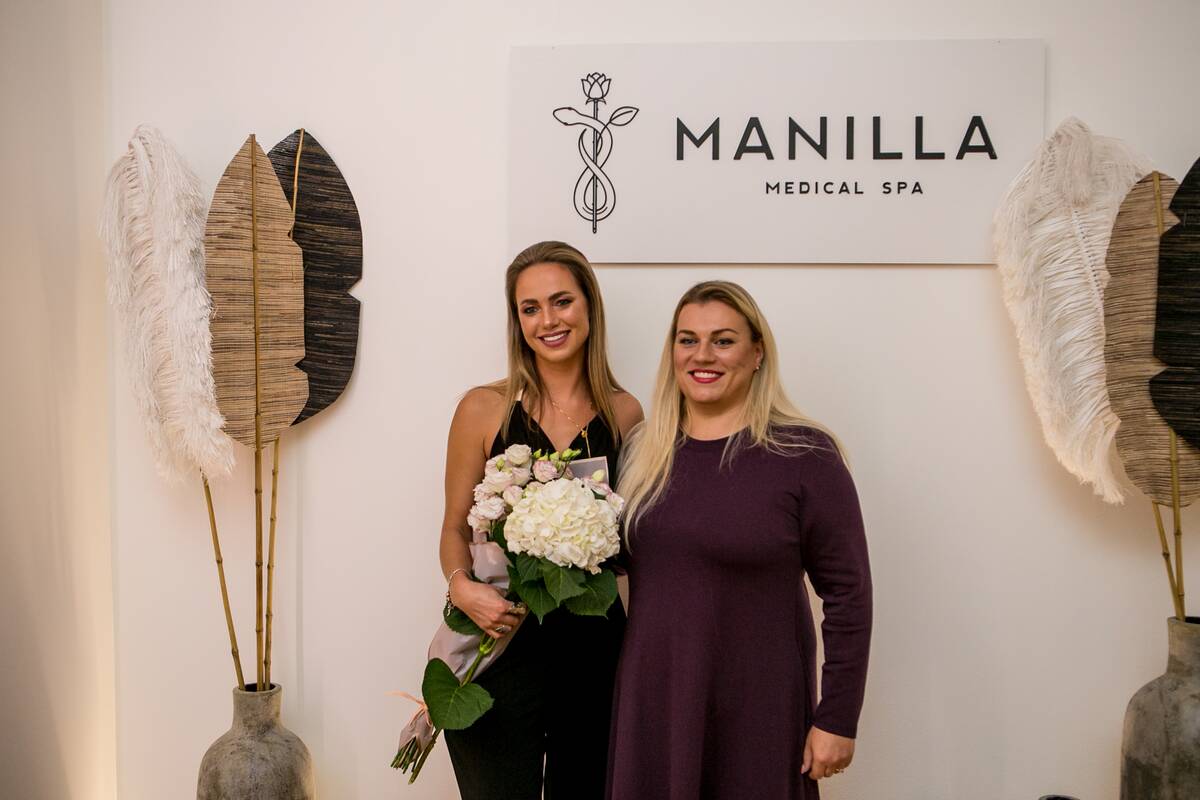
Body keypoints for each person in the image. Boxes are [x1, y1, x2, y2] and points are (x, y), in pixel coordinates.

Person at [608, 281, 872, 800]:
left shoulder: (805, 455)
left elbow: (849, 594)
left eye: (723, 341)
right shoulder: (641, 453)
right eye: (687, 340)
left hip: (759, 713)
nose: (702, 355)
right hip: (654, 708)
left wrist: (837, 718)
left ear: (757, 354)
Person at [439, 241, 643, 799]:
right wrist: (462, 588)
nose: (548, 321)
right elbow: (454, 525)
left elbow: (633, 542)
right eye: (530, 308)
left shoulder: (625, 413)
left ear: (589, 307)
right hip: (500, 641)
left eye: (561, 302)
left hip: (594, 651)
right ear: (517, 321)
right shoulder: (482, 408)